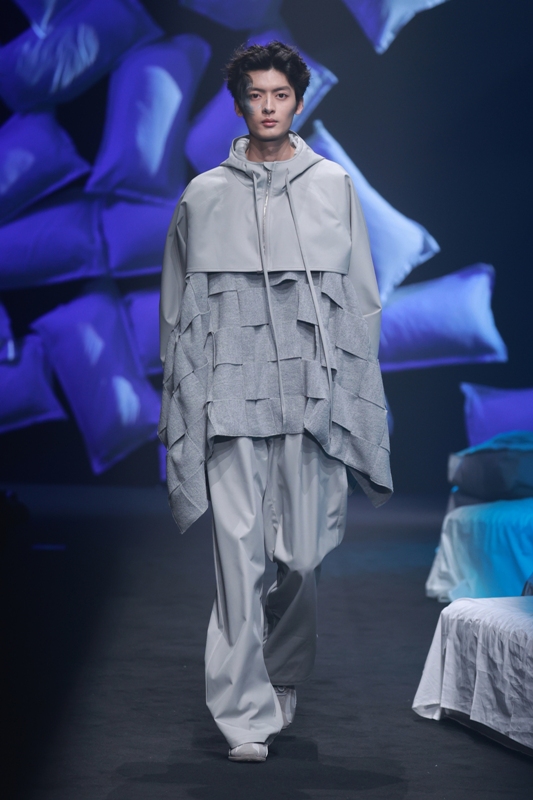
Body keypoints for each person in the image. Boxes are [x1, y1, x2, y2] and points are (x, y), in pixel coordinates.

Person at [159, 41, 393, 763]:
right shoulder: (203, 195)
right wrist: (183, 390)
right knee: (238, 561)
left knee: (303, 557)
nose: (267, 106)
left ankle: (281, 671)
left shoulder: (332, 186)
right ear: (239, 104)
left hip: (308, 397)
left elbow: (361, 296)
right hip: (229, 392)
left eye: (280, 94)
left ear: (297, 101)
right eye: (255, 94)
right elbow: (175, 306)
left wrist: (353, 390)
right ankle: (243, 717)